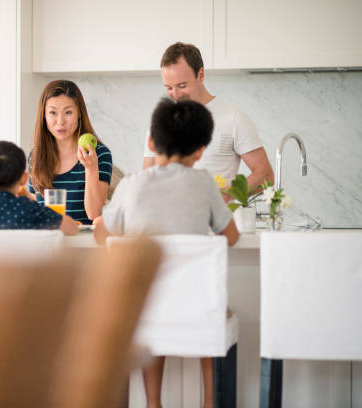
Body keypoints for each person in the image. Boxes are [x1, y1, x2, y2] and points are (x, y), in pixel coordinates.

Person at [94, 98, 239, 408]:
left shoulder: (131, 185)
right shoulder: (204, 184)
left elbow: (102, 235)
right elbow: (231, 236)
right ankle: (210, 402)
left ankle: (153, 403)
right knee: (209, 308)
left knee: (153, 309)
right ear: (201, 149)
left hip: (145, 308)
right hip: (198, 308)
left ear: (151, 140)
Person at [143, 42, 274, 200]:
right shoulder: (161, 121)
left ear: (201, 74)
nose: (176, 95)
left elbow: (265, 175)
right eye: (169, 88)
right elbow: (147, 179)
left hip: (215, 222)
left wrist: (220, 197)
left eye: (182, 85)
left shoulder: (233, 118)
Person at [27, 80, 112, 225]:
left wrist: (91, 169)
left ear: (79, 113)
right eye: (53, 112)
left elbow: (94, 214)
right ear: (44, 116)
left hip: (84, 244)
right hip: (46, 242)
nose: (60, 121)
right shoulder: (35, 157)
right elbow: (34, 208)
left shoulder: (99, 154)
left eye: (68, 112)